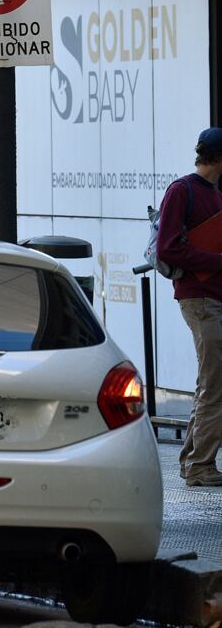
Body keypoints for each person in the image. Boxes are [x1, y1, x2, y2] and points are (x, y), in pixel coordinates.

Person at [156, 127, 222, 487]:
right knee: (215, 383)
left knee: (210, 382)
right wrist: (217, 260)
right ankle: (200, 466)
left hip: (213, 297)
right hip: (198, 298)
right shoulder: (183, 190)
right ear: (217, 157)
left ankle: (194, 463)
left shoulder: (214, 194)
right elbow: (168, 248)